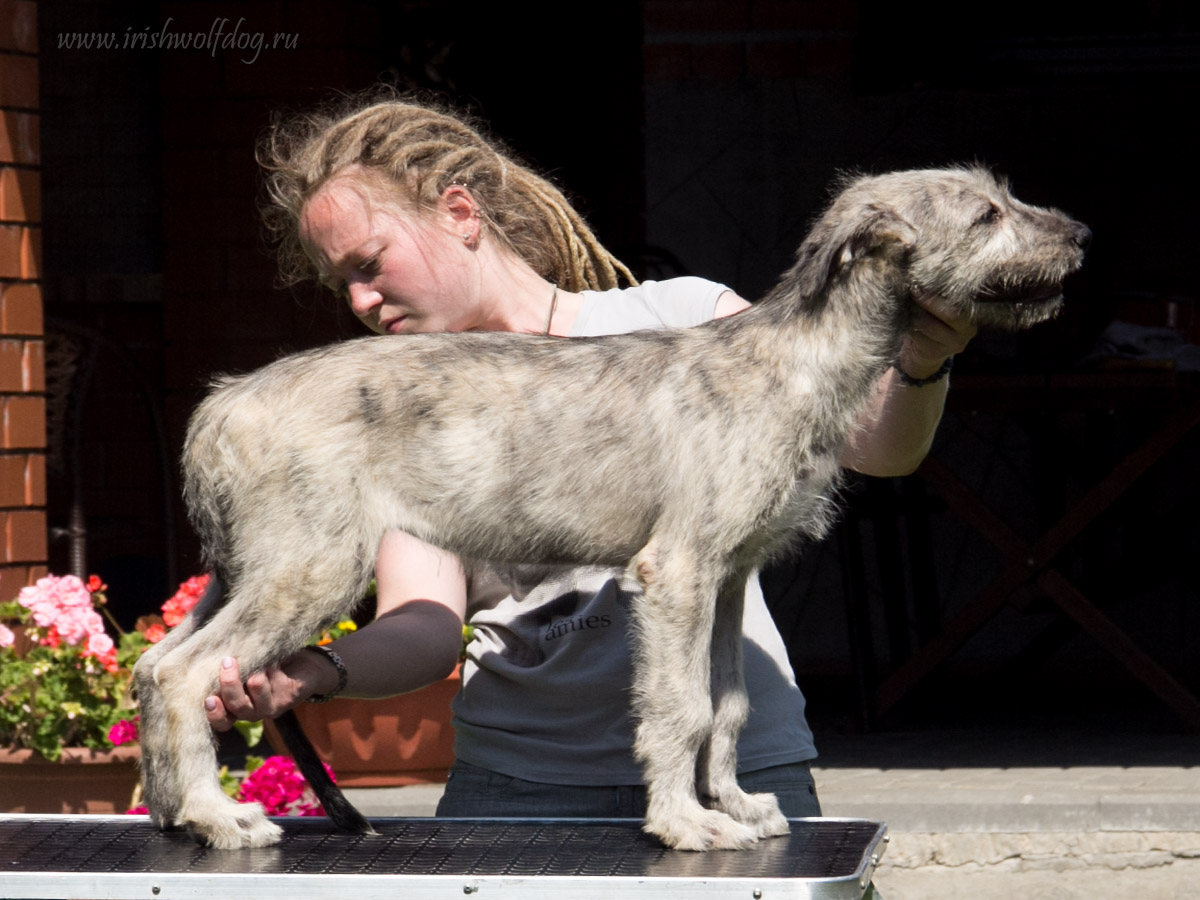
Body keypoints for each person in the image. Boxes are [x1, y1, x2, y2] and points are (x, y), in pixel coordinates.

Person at [204, 92, 977, 819]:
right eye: (341, 283)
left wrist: (922, 360)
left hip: (734, 773)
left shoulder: (681, 317)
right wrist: (317, 673)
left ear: (460, 213)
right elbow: (427, 624)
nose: (360, 303)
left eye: (368, 263)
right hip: (520, 785)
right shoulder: (404, 406)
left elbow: (875, 447)